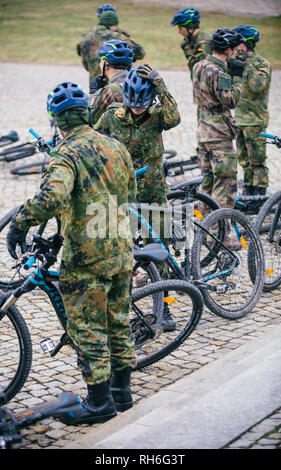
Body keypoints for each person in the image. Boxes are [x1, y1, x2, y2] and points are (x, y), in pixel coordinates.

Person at [6, 81, 137, 425]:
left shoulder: (66, 153)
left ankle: (99, 403)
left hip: (87, 257)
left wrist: (19, 224)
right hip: (121, 248)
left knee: (88, 329)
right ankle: (122, 394)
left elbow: (52, 198)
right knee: (118, 322)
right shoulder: (116, 147)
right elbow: (130, 193)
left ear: (57, 119)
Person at [94, 64, 181, 330]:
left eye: (143, 104)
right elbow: (95, 142)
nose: (138, 109)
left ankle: (164, 306)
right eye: (134, 104)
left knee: (160, 248)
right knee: (120, 248)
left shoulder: (158, 115)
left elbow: (174, 118)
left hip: (153, 192)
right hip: (122, 192)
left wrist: (160, 83)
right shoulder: (113, 116)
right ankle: (118, 306)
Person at [192, 29, 247, 248]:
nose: (236, 54)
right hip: (219, 134)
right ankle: (221, 236)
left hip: (204, 130)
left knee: (206, 182)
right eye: (234, 50)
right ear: (228, 50)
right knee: (225, 185)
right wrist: (237, 79)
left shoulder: (198, 66)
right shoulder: (220, 72)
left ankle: (202, 227)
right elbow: (230, 100)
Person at [234, 25, 272, 196]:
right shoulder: (236, 63)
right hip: (239, 119)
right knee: (244, 161)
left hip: (255, 121)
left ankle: (261, 195)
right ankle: (248, 191)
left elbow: (258, 86)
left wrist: (247, 63)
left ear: (247, 44)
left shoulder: (261, 64)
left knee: (257, 162)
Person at [77, 10, 145, 87]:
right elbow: (140, 54)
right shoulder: (120, 37)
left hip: (95, 85)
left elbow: (86, 65)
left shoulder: (85, 39)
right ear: (113, 25)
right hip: (117, 85)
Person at [89, 39, 133, 125]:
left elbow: (90, 120)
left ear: (106, 63)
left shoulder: (109, 90)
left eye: (101, 60)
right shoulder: (139, 82)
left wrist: (94, 94)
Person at [169, 7, 211, 80]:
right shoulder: (191, 40)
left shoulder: (203, 42)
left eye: (180, 29)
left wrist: (187, 49)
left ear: (190, 27)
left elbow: (204, 70)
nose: (179, 32)